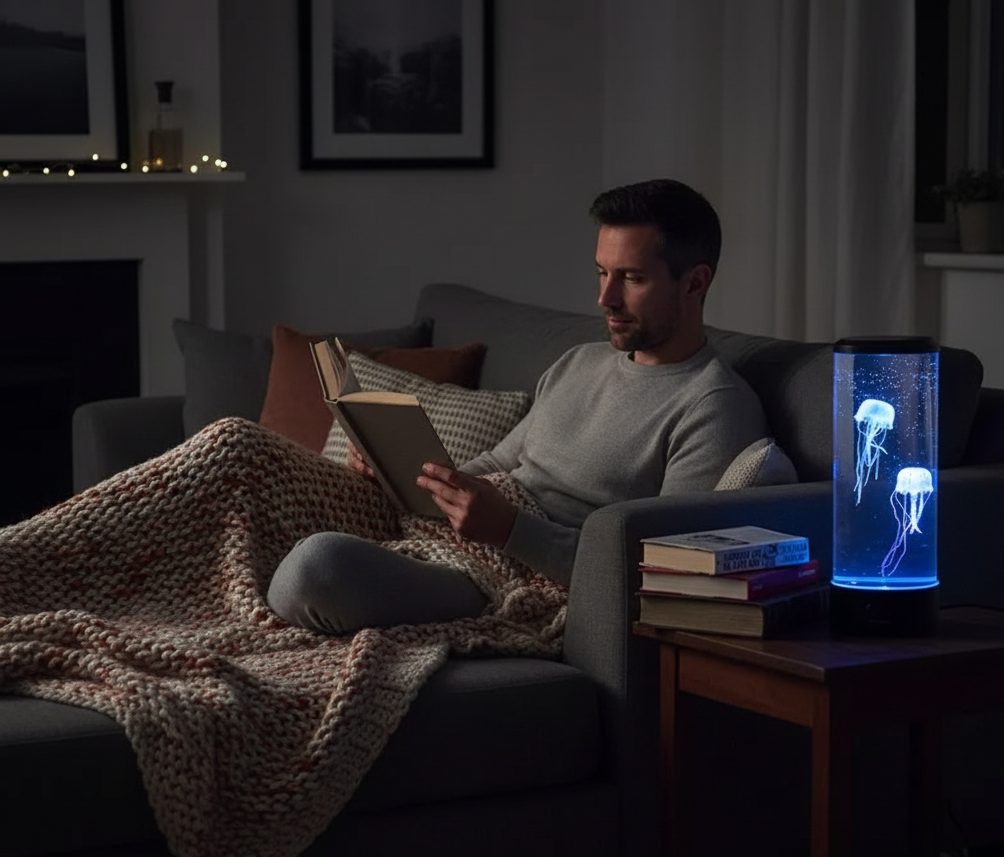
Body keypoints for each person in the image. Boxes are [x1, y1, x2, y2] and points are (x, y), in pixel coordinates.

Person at [267, 178, 770, 634]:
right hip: (456, 540)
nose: (605, 298)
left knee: (316, 566)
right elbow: (498, 466)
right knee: (243, 454)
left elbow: (662, 570)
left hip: (514, 580)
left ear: (695, 282)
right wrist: (409, 475)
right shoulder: (580, 362)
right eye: (601, 273)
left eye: (631, 279)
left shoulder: (714, 407)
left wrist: (512, 530)